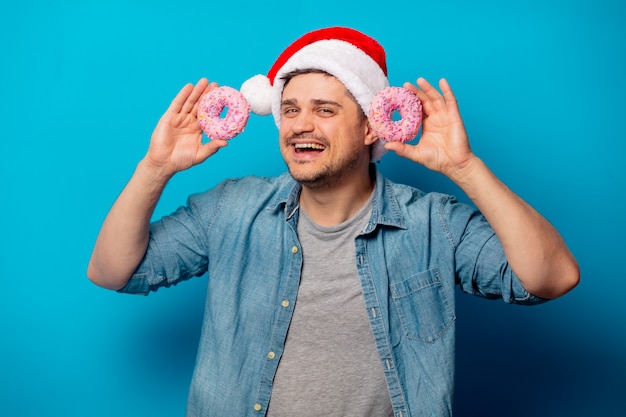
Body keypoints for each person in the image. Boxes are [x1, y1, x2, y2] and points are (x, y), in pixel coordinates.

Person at [87, 27, 579, 417]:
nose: (301, 124)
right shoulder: (231, 208)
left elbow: (553, 277)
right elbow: (112, 272)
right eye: (291, 110)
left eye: (325, 110)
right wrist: (154, 170)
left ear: (370, 126)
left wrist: (464, 169)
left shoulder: (433, 224)